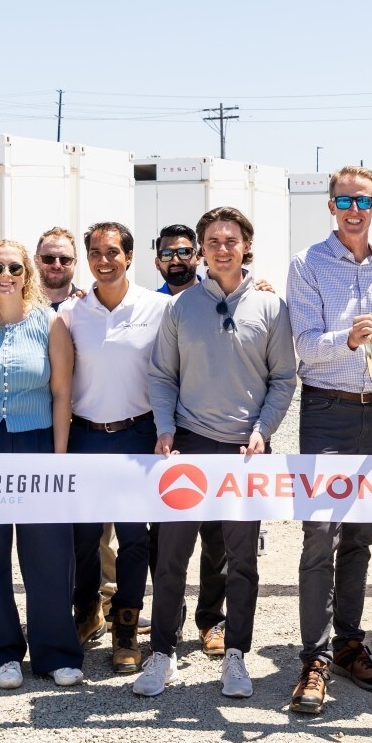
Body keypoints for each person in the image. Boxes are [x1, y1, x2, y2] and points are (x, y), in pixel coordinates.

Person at [137, 207, 297, 701]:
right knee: (170, 557)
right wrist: (165, 428)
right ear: (202, 249)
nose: (221, 248)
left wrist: (263, 430)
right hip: (188, 444)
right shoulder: (181, 308)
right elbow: (163, 376)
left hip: (244, 452)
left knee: (241, 560)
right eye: (213, 241)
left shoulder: (272, 308)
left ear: (246, 246)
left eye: (231, 240)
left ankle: (236, 655)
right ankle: (162, 654)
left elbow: (283, 379)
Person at [284, 166, 372, 714]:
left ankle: (349, 645)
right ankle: (312, 657)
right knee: (321, 533)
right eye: (343, 200)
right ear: (330, 206)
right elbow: (307, 348)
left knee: (361, 534)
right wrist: (350, 337)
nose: (353, 209)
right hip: (327, 412)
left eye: (362, 201)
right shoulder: (307, 264)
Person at [0, 240, 83, 689]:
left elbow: (62, 393)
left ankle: (55, 652)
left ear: (27, 274)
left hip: (38, 442)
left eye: (14, 267)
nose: (6, 275)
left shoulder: (51, 323)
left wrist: (59, 459)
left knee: (47, 549)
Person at [63, 221, 168, 674]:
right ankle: (87, 613)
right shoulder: (71, 313)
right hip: (84, 435)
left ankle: (127, 626)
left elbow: (172, 374)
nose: (103, 261)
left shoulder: (159, 307)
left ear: (129, 256)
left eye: (112, 253)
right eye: (95, 253)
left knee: (133, 538)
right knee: (82, 537)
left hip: (137, 436)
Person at [152, 222, 232, 656]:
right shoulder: (151, 305)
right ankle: (168, 620)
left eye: (185, 252)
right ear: (157, 259)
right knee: (165, 538)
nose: (177, 259)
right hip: (162, 432)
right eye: (169, 253)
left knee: (216, 534)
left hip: (208, 431)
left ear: (198, 256)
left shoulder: (215, 299)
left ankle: (211, 620)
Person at [37, 227, 81, 307]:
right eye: (48, 258)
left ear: (74, 263)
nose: (56, 265)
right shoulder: (20, 305)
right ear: (36, 260)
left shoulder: (86, 306)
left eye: (65, 259)